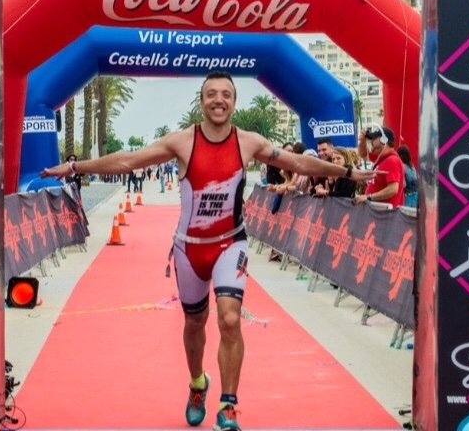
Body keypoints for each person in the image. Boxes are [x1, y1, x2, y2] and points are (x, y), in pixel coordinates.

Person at [41, 71, 375, 431]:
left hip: (231, 243)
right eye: (211, 94)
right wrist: (74, 166)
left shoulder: (249, 142)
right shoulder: (182, 142)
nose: (219, 100)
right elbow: (128, 161)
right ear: (202, 102)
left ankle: (229, 406)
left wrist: (347, 172)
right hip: (189, 250)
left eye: (226, 94)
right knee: (194, 323)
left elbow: (297, 164)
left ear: (234, 102)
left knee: (230, 319)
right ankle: (198, 383)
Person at [354, 124, 405, 207]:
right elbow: (363, 154)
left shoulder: (391, 160)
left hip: (386, 212)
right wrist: (362, 141)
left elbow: (393, 189)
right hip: (380, 211)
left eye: (374, 138)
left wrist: (369, 197)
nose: (371, 141)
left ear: (383, 140)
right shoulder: (382, 158)